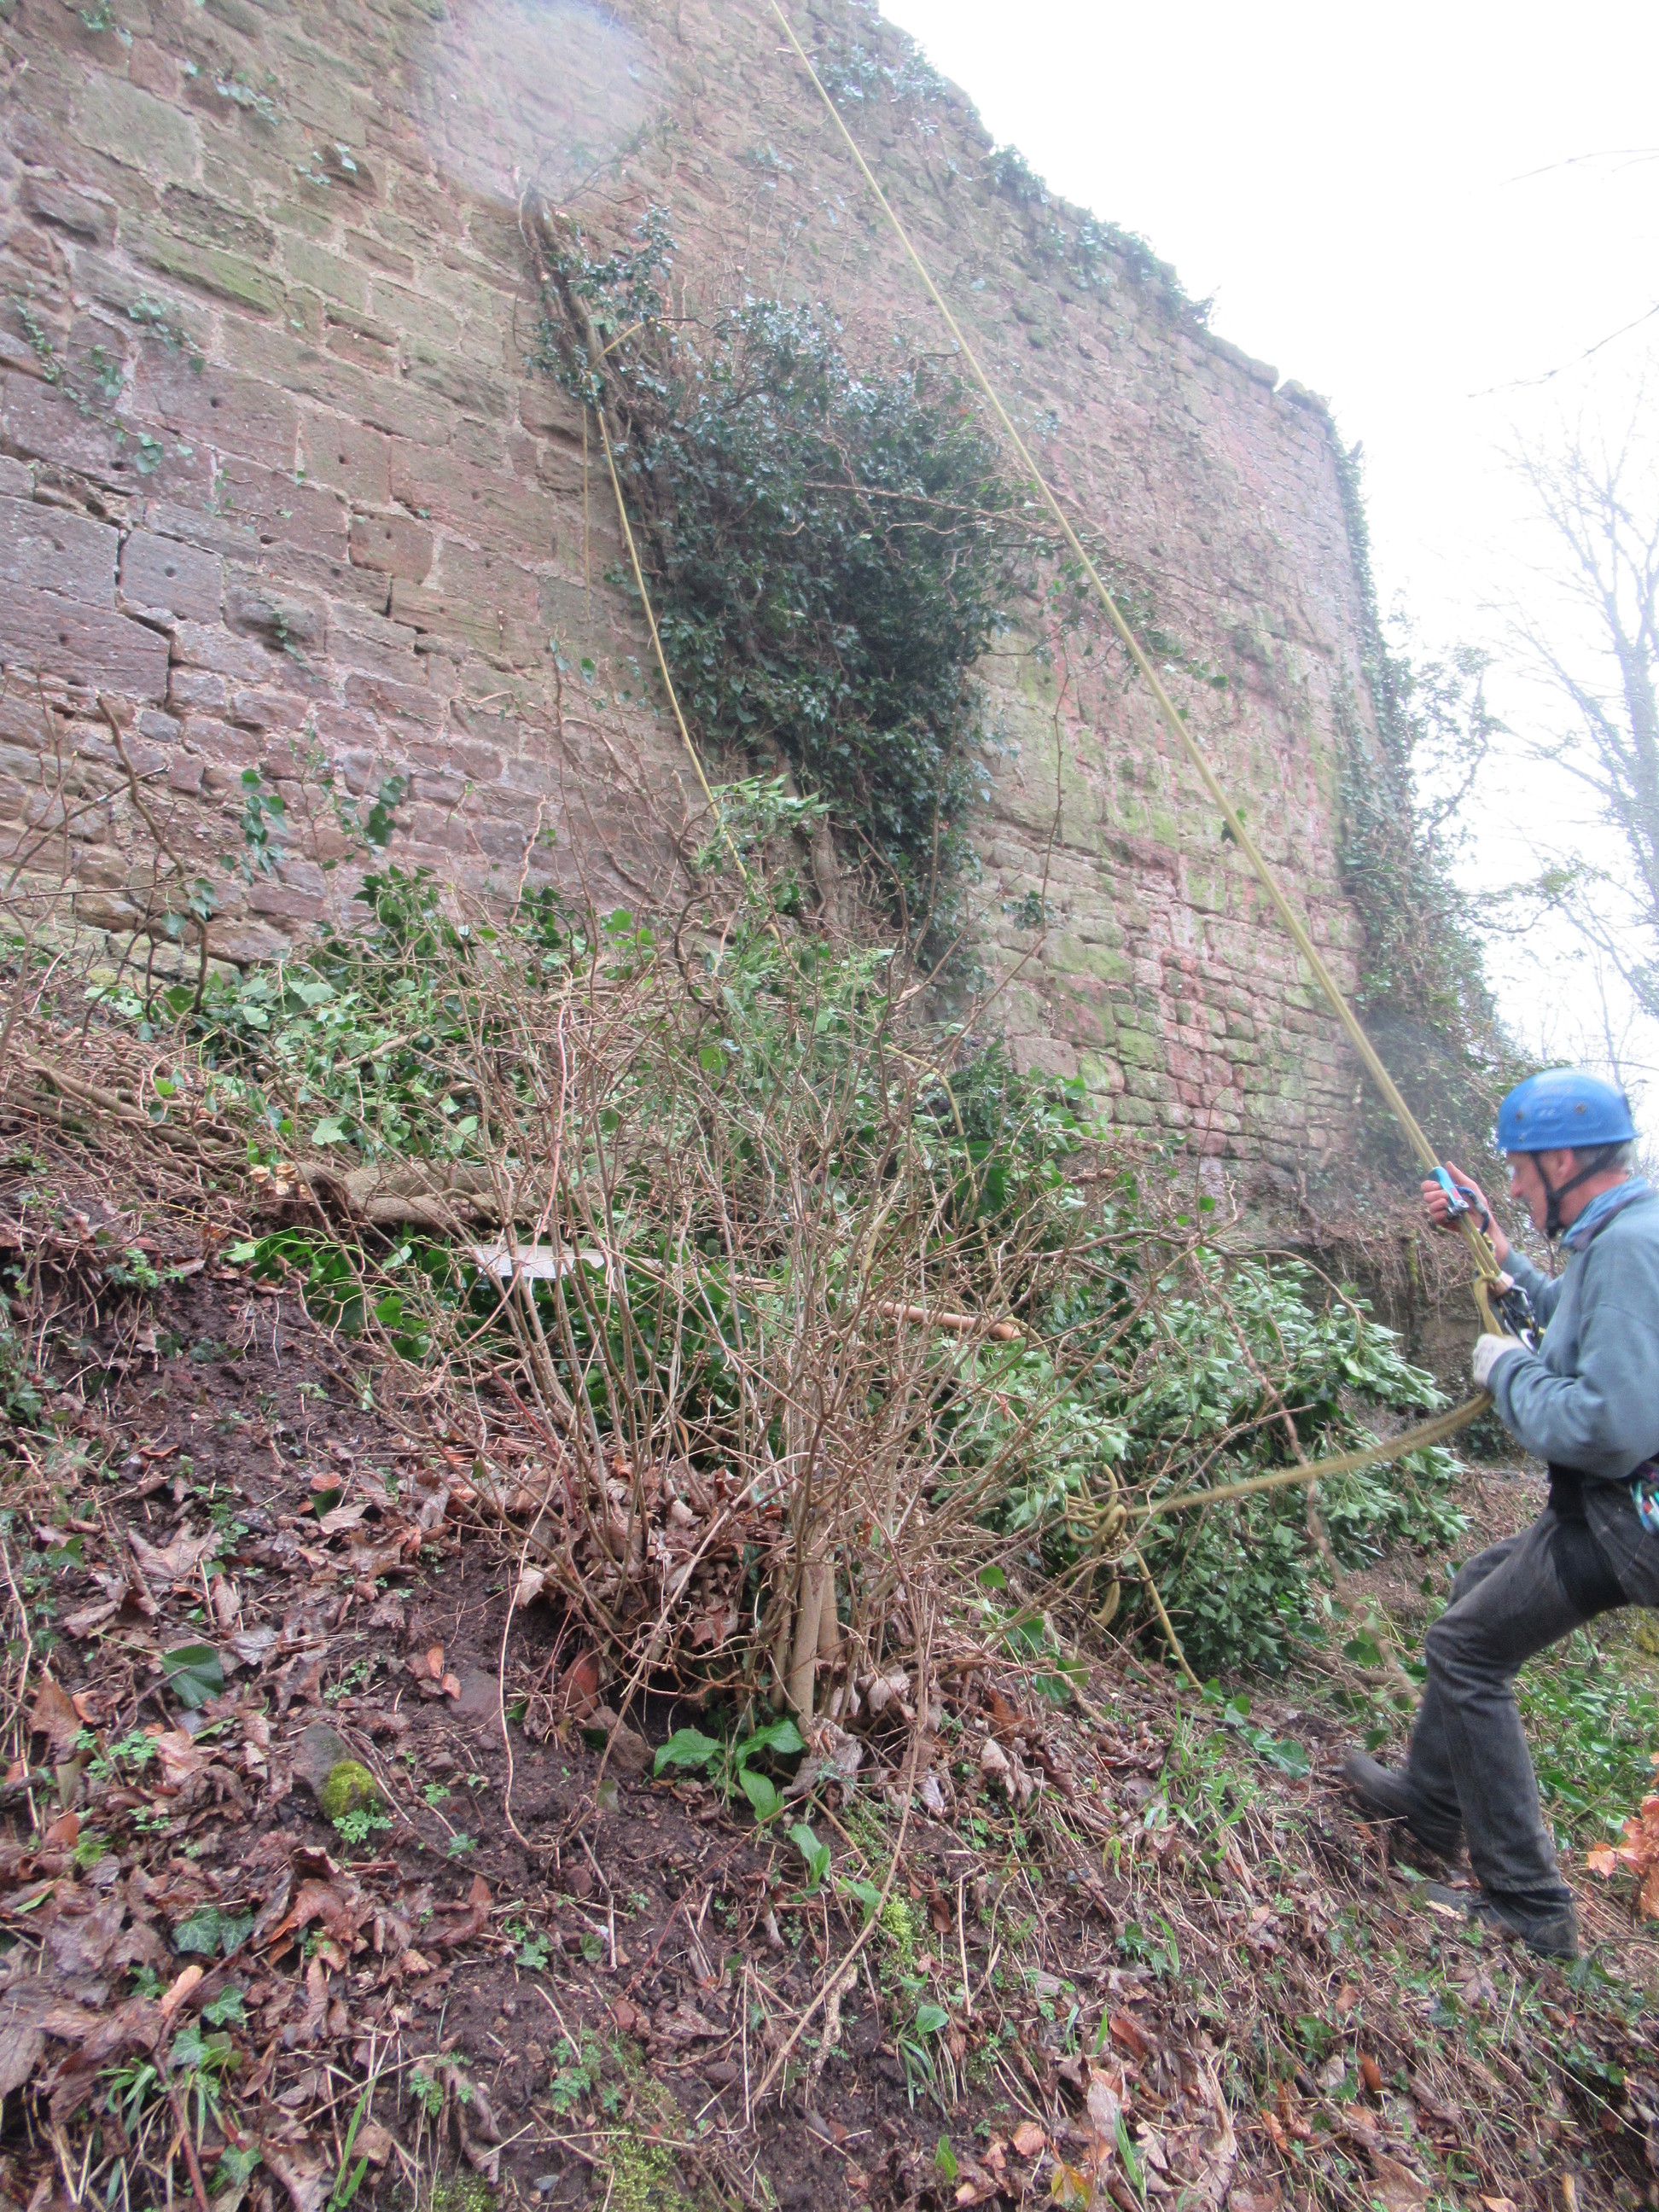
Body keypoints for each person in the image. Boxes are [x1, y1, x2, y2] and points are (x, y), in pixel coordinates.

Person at [1340, 1068, 1659, 1960]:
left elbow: (1607, 1425)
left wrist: (1506, 1371)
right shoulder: (1621, 1234)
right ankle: (1429, 1806)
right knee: (1479, 1588)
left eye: (1518, 1170)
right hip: (1611, 1506)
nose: (1513, 1187)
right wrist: (1493, 1243)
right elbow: (1568, 1321)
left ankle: (1530, 1904)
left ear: (1562, 1160)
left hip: (1630, 1520)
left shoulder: (1631, 1248)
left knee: (1468, 1649)